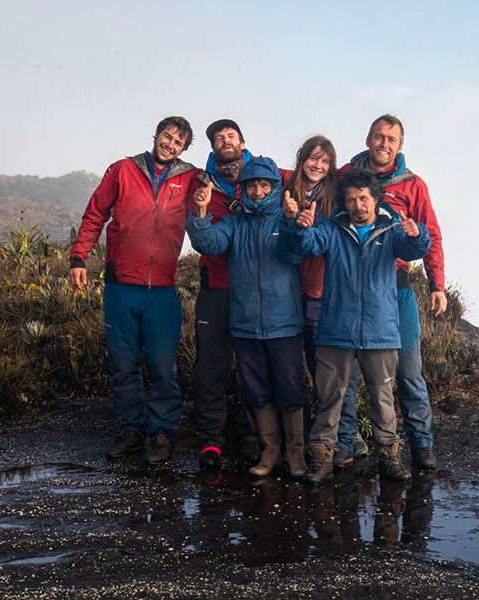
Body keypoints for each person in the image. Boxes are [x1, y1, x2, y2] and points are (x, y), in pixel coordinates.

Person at [282, 169, 431, 484]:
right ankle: (321, 458)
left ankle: (390, 458)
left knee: (383, 399)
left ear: (376, 200)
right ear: (344, 203)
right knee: (330, 397)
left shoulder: (391, 230)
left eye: (363, 198)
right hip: (337, 328)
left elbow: (413, 250)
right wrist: (299, 226)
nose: (357, 204)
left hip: (380, 331)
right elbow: (306, 244)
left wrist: (416, 232)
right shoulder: (332, 229)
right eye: (351, 199)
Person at [69, 116, 198, 464]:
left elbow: (222, 192)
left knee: (162, 367)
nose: (169, 144)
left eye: (178, 142)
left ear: (184, 148)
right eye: (166, 136)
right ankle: (131, 430)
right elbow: (95, 213)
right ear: (156, 135)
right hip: (120, 286)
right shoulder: (123, 169)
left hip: (162, 289)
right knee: (123, 365)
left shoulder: (190, 178)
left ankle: (162, 434)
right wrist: (79, 257)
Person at [187, 156, 309, 478]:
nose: (257, 190)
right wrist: (200, 214)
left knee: (290, 388)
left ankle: (296, 455)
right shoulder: (233, 222)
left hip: (283, 323)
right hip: (245, 323)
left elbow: (294, 253)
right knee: (257, 390)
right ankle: (270, 453)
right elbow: (209, 244)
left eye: (263, 184)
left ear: (274, 186)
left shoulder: (284, 219)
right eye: (251, 185)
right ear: (242, 189)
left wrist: (292, 223)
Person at [337, 114, 446, 470]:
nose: (384, 143)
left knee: (408, 371)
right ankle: (347, 441)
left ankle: (421, 445)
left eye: (391, 140)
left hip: (396, 288)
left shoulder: (413, 185)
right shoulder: (346, 176)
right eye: (378, 136)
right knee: (348, 375)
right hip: (350, 289)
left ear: (400, 146)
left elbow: (431, 235)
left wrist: (436, 284)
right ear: (368, 138)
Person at [281, 136, 368, 467]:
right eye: (312, 158)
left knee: (332, 371)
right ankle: (310, 440)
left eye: (325, 161)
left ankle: (346, 437)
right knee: (299, 371)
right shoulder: (287, 189)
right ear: (302, 158)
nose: (317, 165)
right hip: (290, 293)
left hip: (325, 294)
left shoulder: (337, 195)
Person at [188, 119, 261, 470]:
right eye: (218, 138)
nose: (225, 141)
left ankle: (250, 436)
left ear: (243, 142)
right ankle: (212, 441)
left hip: (254, 292)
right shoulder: (201, 185)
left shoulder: (265, 176)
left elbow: (315, 173)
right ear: (213, 148)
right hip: (215, 289)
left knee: (253, 369)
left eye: (230, 135)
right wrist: (200, 209)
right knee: (210, 369)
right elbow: (200, 236)